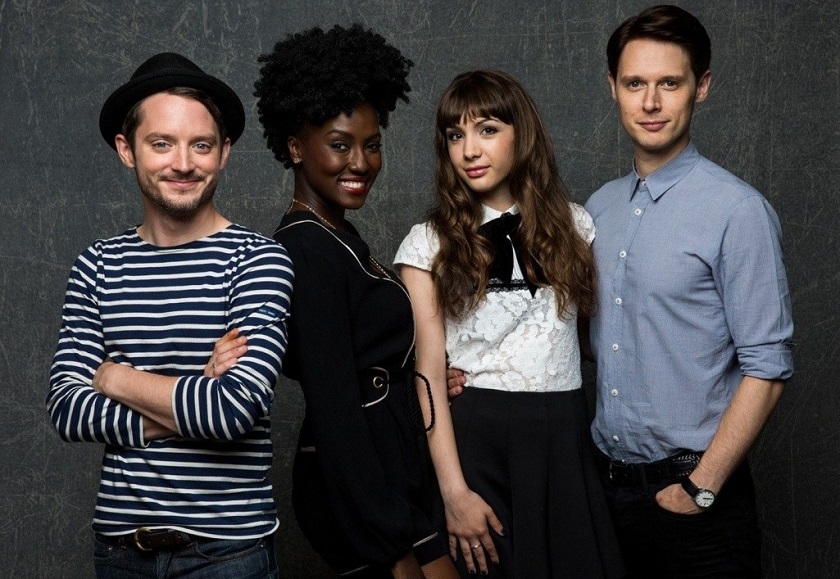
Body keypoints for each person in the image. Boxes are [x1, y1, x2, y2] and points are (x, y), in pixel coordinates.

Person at [46, 52, 293, 578]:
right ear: (126, 150)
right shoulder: (97, 266)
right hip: (119, 551)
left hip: (228, 554)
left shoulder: (258, 260)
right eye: (162, 143)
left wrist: (114, 377)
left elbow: (231, 412)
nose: (183, 163)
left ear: (224, 153)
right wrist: (194, 396)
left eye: (200, 144)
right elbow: (67, 409)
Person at [583, 6, 794, 577]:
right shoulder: (597, 209)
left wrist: (701, 487)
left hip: (697, 500)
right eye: (635, 84)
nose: (650, 103)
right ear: (613, 88)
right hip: (606, 496)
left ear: (701, 87)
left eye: (669, 84)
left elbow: (768, 366)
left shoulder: (737, 211)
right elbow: (582, 341)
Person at [396, 69, 625, 579]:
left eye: (487, 129)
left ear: (522, 133)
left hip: (564, 441)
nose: (469, 150)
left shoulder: (578, 225)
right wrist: (454, 493)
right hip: (478, 446)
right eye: (455, 135)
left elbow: (599, 340)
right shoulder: (427, 242)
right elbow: (427, 373)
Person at [252, 24, 457, 579]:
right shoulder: (306, 249)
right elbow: (335, 408)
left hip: (392, 468)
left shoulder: (337, 235)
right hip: (361, 492)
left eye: (372, 145)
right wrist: (389, 541)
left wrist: (415, 378)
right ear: (296, 147)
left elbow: (366, 355)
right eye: (340, 145)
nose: (361, 162)